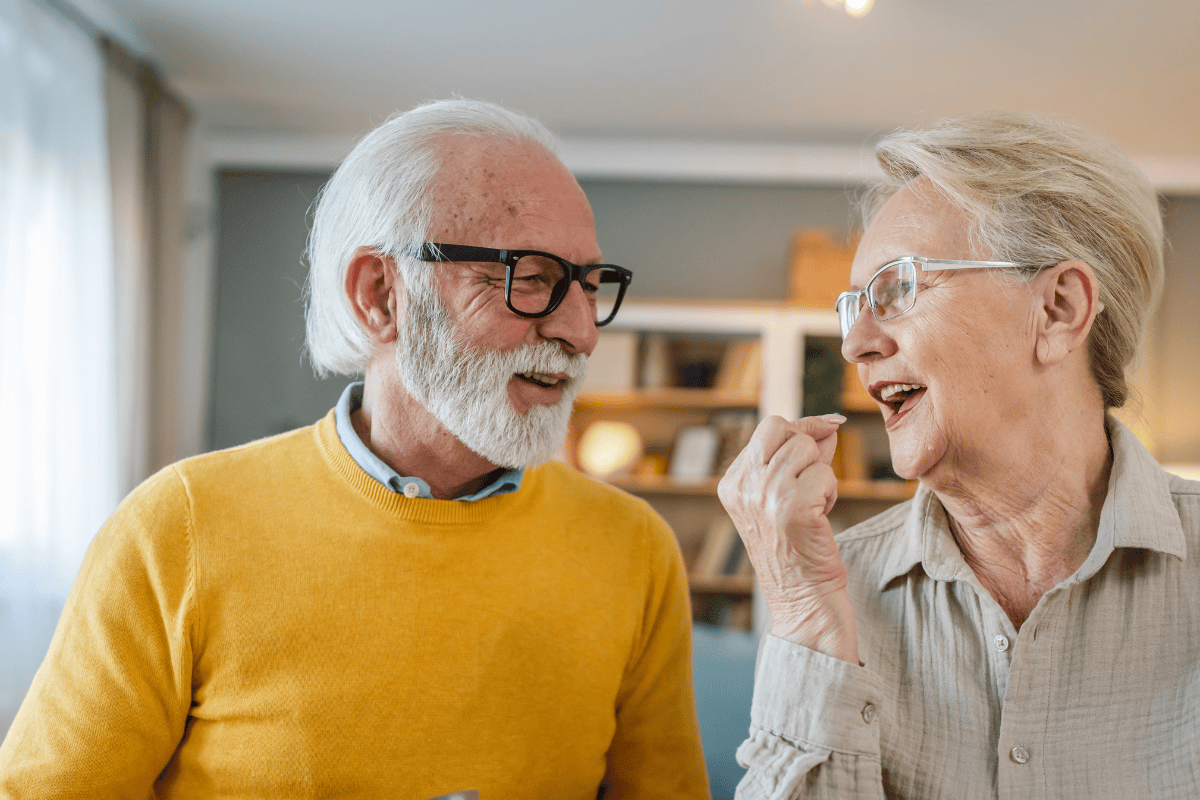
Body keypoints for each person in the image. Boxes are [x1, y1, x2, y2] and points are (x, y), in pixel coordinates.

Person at [0, 99, 709, 798]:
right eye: (532, 279)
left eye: (590, 285)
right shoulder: (175, 528)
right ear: (380, 294)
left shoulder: (634, 550)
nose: (582, 332)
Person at [718, 112, 1200, 799]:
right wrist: (805, 616)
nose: (855, 345)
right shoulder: (830, 586)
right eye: (853, 306)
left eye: (896, 288)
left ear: (1059, 309)